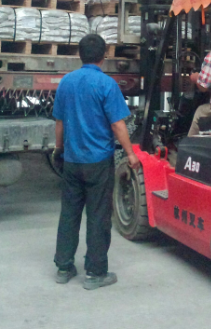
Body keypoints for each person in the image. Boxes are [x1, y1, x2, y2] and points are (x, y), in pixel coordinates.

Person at [52, 33, 140, 290]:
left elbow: (59, 122)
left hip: (72, 160)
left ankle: (63, 267)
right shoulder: (107, 84)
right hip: (98, 161)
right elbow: (117, 124)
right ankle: (95, 272)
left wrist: (59, 149)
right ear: (104, 56)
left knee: (69, 213)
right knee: (98, 216)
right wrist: (131, 154)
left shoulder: (66, 82)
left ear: (80, 55)